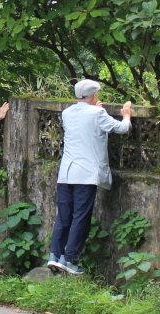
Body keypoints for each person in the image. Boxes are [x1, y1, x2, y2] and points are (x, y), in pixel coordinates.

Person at [47, 79, 133, 275]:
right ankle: (70, 260)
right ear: (94, 96)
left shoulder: (67, 113)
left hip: (66, 173)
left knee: (64, 216)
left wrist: (97, 110)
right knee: (81, 217)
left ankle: (55, 255)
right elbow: (121, 128)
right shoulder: (98, 113)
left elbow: (86, 122)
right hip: (85, 174)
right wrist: (126, 115)